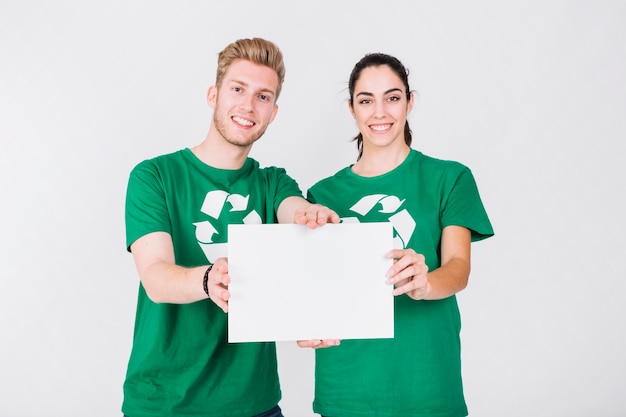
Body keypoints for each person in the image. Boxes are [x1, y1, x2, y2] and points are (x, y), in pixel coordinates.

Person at [122, 37, 338, 417]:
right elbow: (155, 277)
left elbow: (295, 212)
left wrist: (312, 217)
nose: (248, 105)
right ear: (213, 95)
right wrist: (207, 281)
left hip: (255, 404)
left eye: (263, 96)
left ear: (273, 112)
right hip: (166, 404)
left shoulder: (273, 184)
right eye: (238, 89)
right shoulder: (155, 176)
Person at [298, 53, 494, 416]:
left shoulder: (448, 179)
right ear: (352, 109)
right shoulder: (322, 196)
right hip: (347, 387)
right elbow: (316, 289)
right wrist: (302, 320)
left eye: (392, 97)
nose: (380, 112)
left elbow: (458, 267)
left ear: (409, 102)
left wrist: (425, 284)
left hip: (428, 384)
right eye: (366, 100)